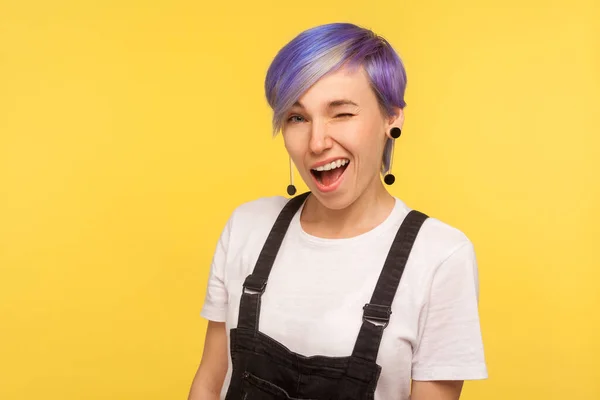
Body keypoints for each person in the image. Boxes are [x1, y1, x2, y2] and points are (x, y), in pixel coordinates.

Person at [188, 22, 487, 400]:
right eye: (297, 118)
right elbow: (209, 383)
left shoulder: (441, 257)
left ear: (392, 117)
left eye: (341, 113)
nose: (317, 143)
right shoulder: (246, 227)